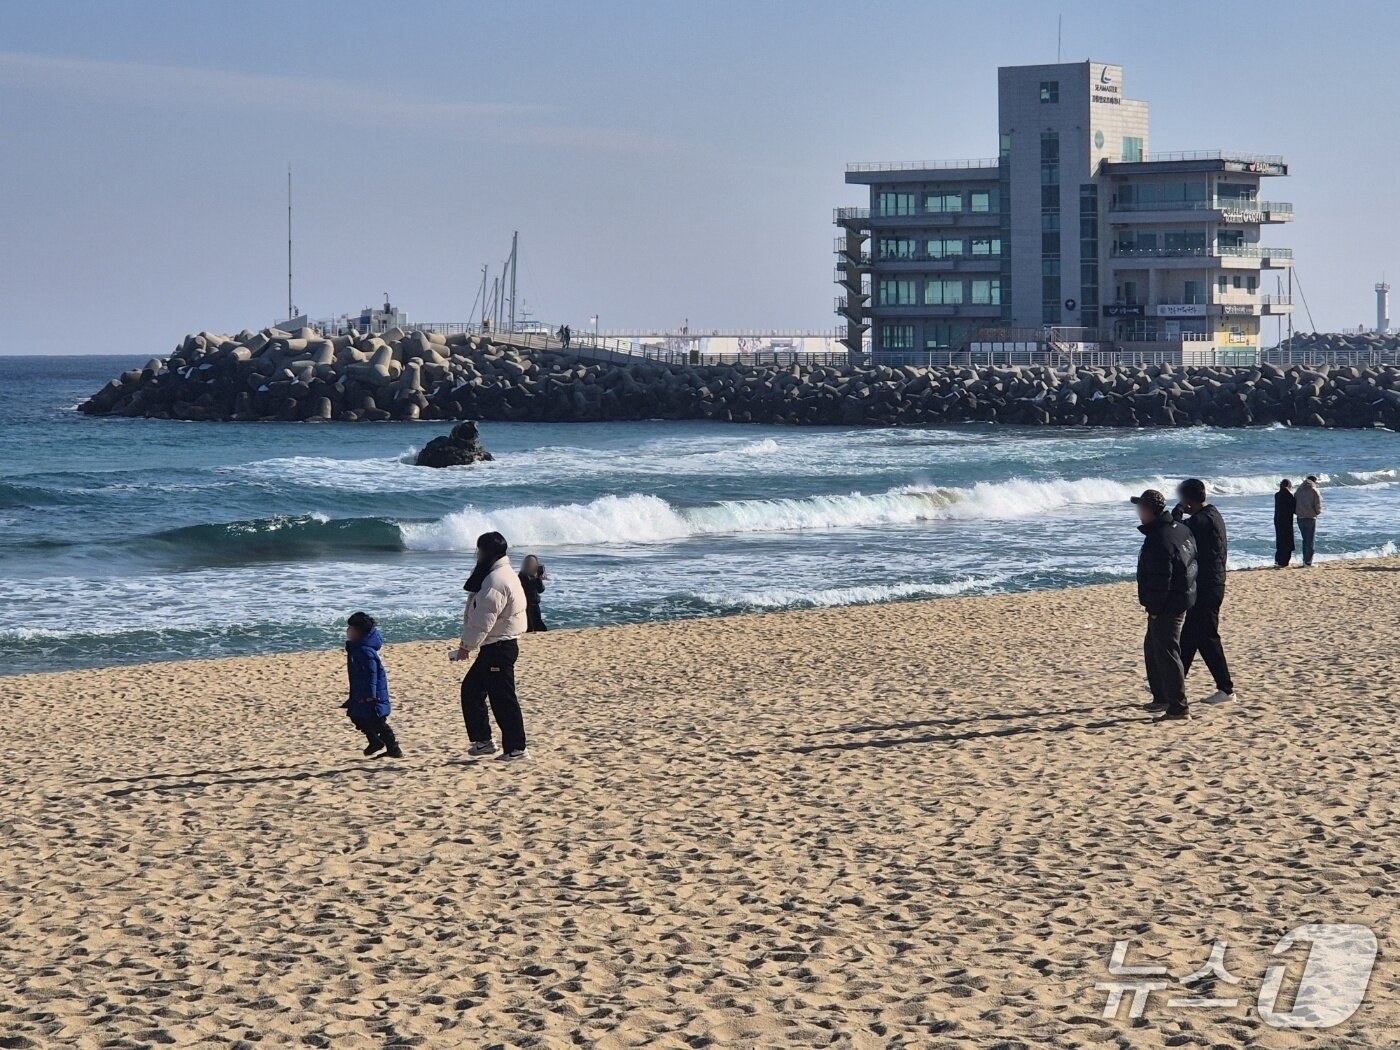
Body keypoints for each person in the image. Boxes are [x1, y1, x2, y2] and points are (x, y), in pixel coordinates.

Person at [456, 531, 530, 760]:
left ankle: (517, 748)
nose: (477, 555)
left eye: (479, 551)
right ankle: (484, 741)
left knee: (503, 699)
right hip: (497, 645)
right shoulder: (502, 573)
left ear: (486, 552)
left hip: (499, 647)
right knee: (471, 690)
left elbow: (484, 620)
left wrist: (466, 646)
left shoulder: (496, 580)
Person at [1132, 489, 1198, 722]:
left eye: (1141, 508)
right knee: (1153, 648)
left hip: (1169, 605)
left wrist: (1155, 609)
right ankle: (1162, 697)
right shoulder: (1179, 529)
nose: (1138, 513)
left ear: (1149, 511)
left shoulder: (1160, 539)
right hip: (1181, 598)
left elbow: (1162, 580)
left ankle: (1178, 707)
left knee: (1168, 654)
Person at [1173, 480, 1235, 705]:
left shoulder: (1202, 520)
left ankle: (1226, 689)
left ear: (1189, 500)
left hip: (1208, 585)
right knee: (1189, 637)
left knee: (1207, 637)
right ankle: (1172, 683)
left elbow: (1176, 531)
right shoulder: (1211, 514)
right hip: (1209, 584)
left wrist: (1178, 511)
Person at [342, 612, 402, 758]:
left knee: (378, 721)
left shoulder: (365, 650)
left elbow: (372, 673)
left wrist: (370, 694)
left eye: (351, 628)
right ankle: (375, 741)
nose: (348, 631)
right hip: (361, 691)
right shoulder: (357, 648)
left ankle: (394, 749)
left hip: (372, 693)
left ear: (359, 632)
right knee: (356, 716)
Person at [1295, 475, 1324, 567]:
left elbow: (1294, 503)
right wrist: (1317, 512)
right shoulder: (1314, 490)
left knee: (1305, 540)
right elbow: (1318, 504)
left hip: (1300, 517)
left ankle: (1305, 560)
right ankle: (1308, 562)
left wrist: (1297, 512)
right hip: (1310, 517)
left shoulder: (1299, 490)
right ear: (1314, 481)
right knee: (1310, 540)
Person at [519, 554, 549, 633]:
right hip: (527, 606)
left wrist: (539, 578)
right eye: (530, 563)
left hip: (535, 605)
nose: (532, 565)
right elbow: (530, 586)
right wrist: (538, 578)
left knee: (539, 627)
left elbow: (540, 589)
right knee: (530, 627)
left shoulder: (533, 576)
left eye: (534, 563)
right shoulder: (523, 575)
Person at [1274, 479, 1296, 568]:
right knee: (1288, 541)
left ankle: (1278, 560)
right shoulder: (1289, 495)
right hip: (1286, 520)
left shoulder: (1277, 495)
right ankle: (1284, 561)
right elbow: (1293, 509)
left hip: (1278, 520)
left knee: (1280, 540)